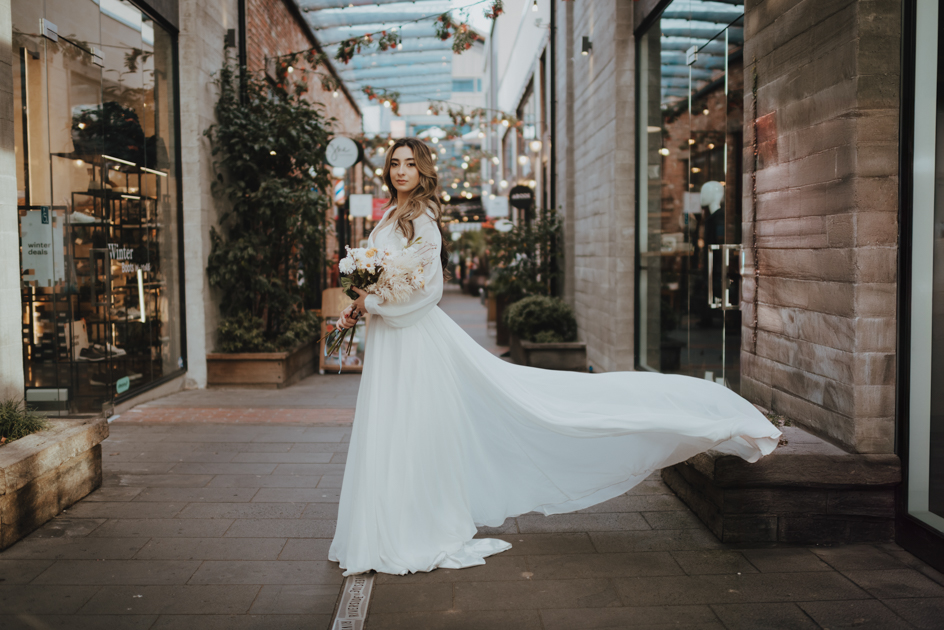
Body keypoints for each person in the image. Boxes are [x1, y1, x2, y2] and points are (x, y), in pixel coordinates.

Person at [328, 137, 780, 577]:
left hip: (412, 341)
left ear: (423, 170)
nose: (401, 171)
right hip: (392, 337)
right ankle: (383, 526)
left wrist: (372, 304)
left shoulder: (424, 219)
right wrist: (360, 303)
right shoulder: (390, 215)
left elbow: (428, 290)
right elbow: (387, 282)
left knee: (416, 425)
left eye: (409, 163)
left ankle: (410, 527)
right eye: (395, 163)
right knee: (393, 424)